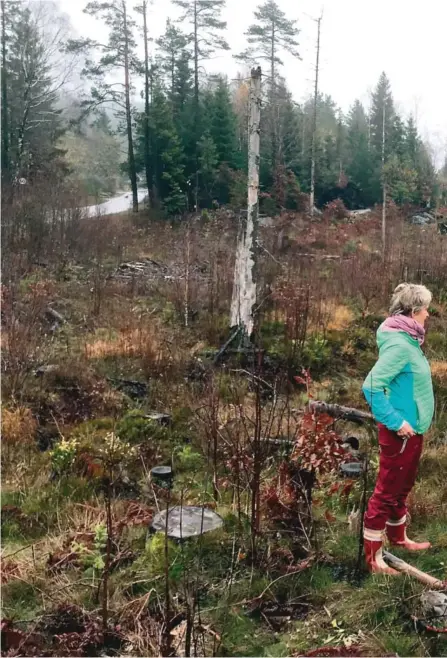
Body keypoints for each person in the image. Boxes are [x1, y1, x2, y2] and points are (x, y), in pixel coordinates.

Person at [362, 283, 434, 575]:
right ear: (414, 311)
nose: (428, 314)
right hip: (401, 433)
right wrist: (396, 422)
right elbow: (371, 386)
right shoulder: (400, 346)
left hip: (413, 430)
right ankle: (373, 558)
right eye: (426, 309)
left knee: (401, 488)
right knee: (387, 491)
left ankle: (398, 538)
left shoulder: (408, 340)